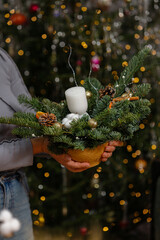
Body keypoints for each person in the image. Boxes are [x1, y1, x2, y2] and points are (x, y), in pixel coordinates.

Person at [0, 47, 121, 240]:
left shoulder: (2, 58)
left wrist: (75, 136)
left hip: (14, 186)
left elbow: (29, 113)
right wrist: (39, 145)